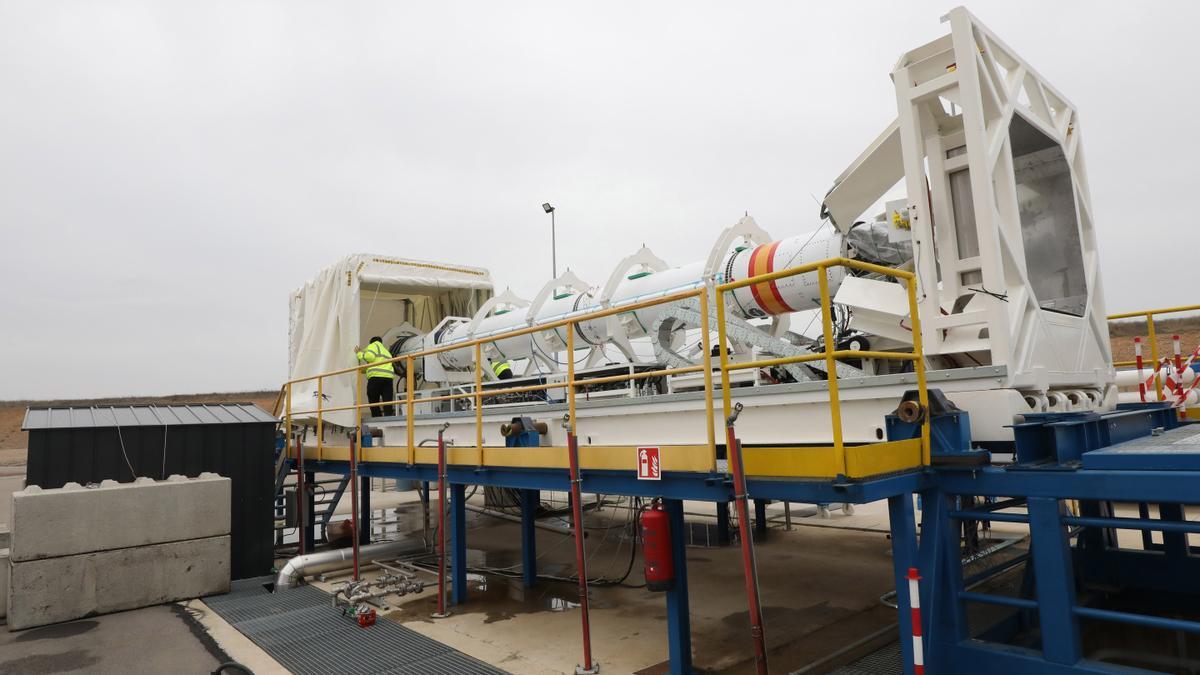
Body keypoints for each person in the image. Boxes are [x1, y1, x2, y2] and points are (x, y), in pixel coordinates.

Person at [355, 337, 396, 417]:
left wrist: (360, 354)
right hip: (388, 378)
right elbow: (379, 364)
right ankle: (388, 417)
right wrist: (364, 370)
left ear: (371, 342)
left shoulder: (373, 346)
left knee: (373, 398)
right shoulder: (386, 351)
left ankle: (376, 416)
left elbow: (370, 357)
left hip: (376, 378)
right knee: (387, 400)